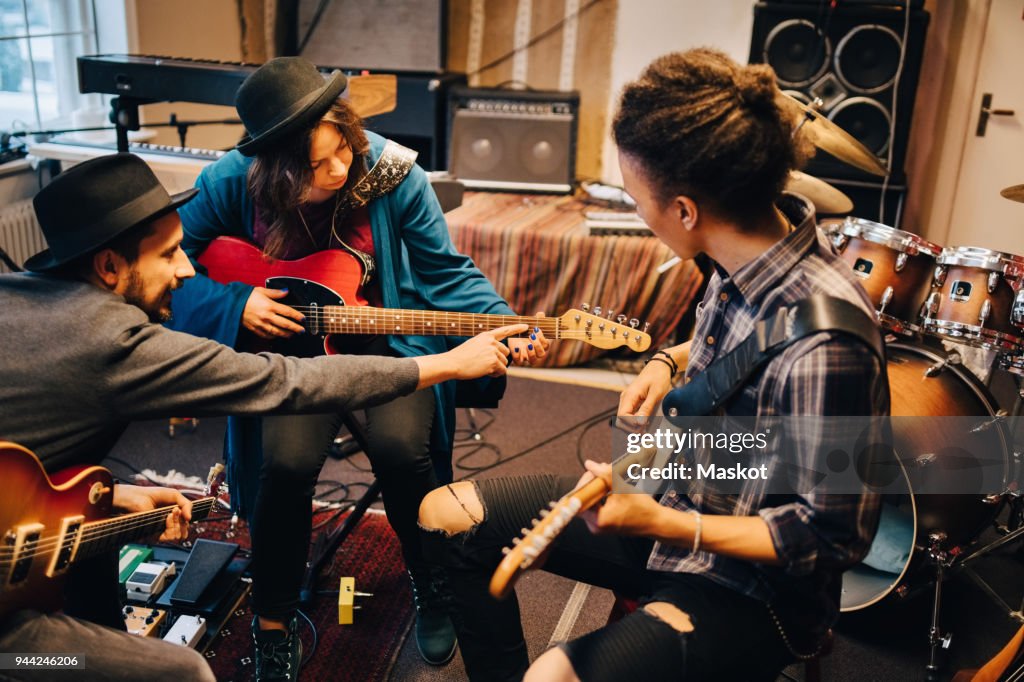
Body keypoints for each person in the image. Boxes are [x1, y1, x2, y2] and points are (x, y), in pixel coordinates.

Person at [417, 48, 890, 681]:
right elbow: (744, 347)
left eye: (637, 198)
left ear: (686, 210)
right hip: (676, 496)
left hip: (754, 589)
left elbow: (832, 536)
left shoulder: (831, 346)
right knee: (445, 515)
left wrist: (663, 520)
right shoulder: (746, 250)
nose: (639, 214)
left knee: (552, 676)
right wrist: (669, 361)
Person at [0, 153, 524, 681]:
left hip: (24, 523)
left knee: (94, 559)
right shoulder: (117, 341)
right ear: (109, 266)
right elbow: (286, 381)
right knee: (184, 674)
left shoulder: (15, 296)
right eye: (170, 255)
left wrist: (109, 494)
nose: (187, 269)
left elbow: (25, 461)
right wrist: (449, 363)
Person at [165, 56, 549, 676]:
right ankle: (273, 618)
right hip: (295, 359)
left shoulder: (395, 176)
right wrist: (239, 303)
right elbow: (168, 263)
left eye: (340, 147)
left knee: (406, 451)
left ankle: (431, 581)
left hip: (390, 351)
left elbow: (446, 273)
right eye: (315, 167)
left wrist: (507, 322)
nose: (339, 168)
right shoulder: (234, 181)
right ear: (276, 171)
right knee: (283, 466)